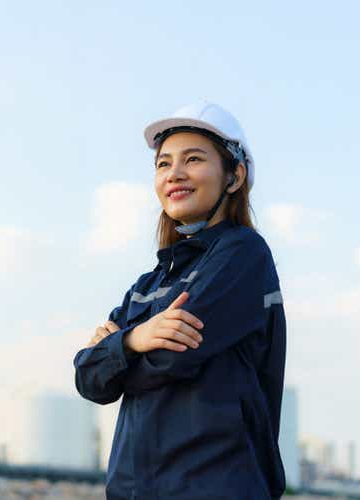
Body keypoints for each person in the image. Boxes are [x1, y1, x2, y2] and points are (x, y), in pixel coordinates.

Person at [73, 100, 287, 499]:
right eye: (163, 163)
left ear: (235, 176)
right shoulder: (148, 283)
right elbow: (90, 381)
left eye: (193, 159)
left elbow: (175, 356)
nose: (175, 174)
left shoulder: (243, 255)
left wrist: (114, 355)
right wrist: (137, 340)